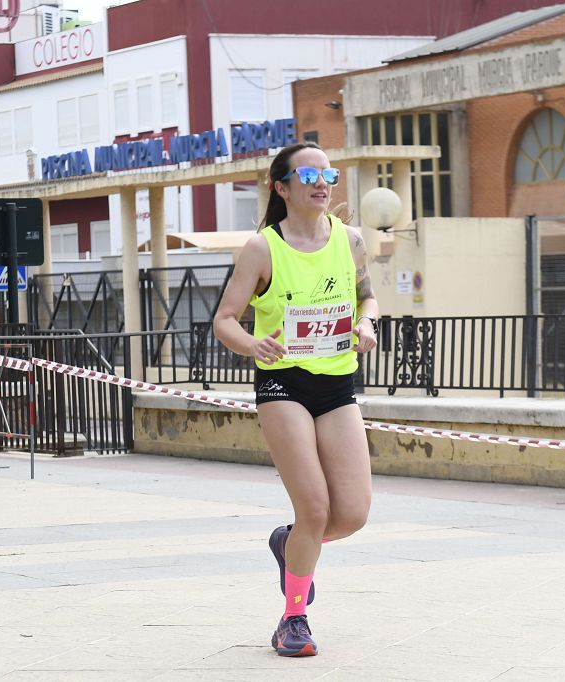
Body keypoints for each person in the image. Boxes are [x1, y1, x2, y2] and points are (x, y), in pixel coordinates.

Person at [213, 142, 378, 657]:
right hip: (283, 383)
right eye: (308, 175)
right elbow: (224, 319)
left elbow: (367, 297)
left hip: (336, 384)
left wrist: (367, 323)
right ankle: (293, 618)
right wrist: (252, 344)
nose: (321, 182)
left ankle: (290, 544)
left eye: (328, 174)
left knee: (351, 515)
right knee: (314, 507)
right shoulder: (262, 248)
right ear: (281, 187)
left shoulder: (350, 240)